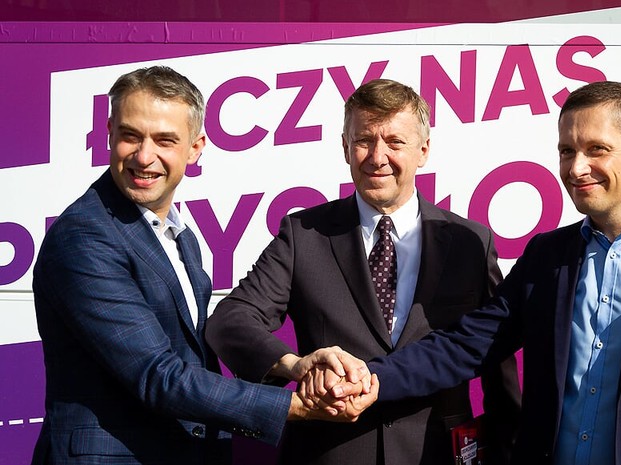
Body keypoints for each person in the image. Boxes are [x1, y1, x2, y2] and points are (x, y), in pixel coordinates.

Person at [325, 80, 621, 464]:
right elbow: (466, 345)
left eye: (597, 150)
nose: (576, 168)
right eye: (566, 151)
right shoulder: (546, 257)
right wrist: (371, 379)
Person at [31, 65, 377, 465]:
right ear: (109, 133)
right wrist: (298, 406)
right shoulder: (84, 237)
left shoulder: (180, 237)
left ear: (195, 148)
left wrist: (296, 366)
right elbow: (158, 375)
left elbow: (191, 361)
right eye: (130, 136)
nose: (144, 156)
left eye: (165, 140)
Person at [205, 78, 521, 465]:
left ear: (423, 150)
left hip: (435, 453)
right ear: (345, 147)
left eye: (395, 142)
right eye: (364, 140)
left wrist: (508, 449)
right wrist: (296, 365)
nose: (377, 157)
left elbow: (497, 353)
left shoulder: (471, 242)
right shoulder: (304, 234)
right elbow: (230, 320)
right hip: (329, 453)